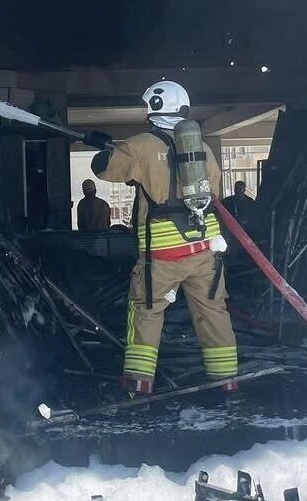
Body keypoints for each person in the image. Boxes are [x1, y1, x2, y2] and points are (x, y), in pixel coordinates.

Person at [89, 81, 239, 397]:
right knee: (213, 312)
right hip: (205, 250)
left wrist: (105, 148)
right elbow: (211, 186)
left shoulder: (141, 144)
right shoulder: (203, 148)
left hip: (163, 254)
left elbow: (104, 169)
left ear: (153, 109)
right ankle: (226, 381)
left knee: (146, 312)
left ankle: (139, 384)